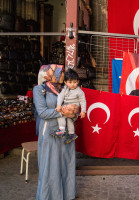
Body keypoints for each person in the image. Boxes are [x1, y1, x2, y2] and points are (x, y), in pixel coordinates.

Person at [33, 64, 78, 200]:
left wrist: (73, 113)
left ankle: (67, 194)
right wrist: (65, 112)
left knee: (66, 163)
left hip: (65, 133)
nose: (64, 73)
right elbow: (42, 113)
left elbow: (74, 111)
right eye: (61, 71)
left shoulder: (67, 89)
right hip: (49, 133)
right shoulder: (39, 89)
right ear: (50, 74)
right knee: (49, 166)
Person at [52, 69, 86, 144]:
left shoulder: (80, 92)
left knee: (64, 116)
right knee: (65, 117)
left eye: (75, 82)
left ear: (78, 81)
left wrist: (83, 111)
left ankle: (62, 130)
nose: (73, 84)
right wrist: (59, 105)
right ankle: (71, 134)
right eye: (70, 82)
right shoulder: (65, 89)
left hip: (74, 108)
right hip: (65, 106)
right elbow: (60, 96)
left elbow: (83, 101)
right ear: (65, 82)